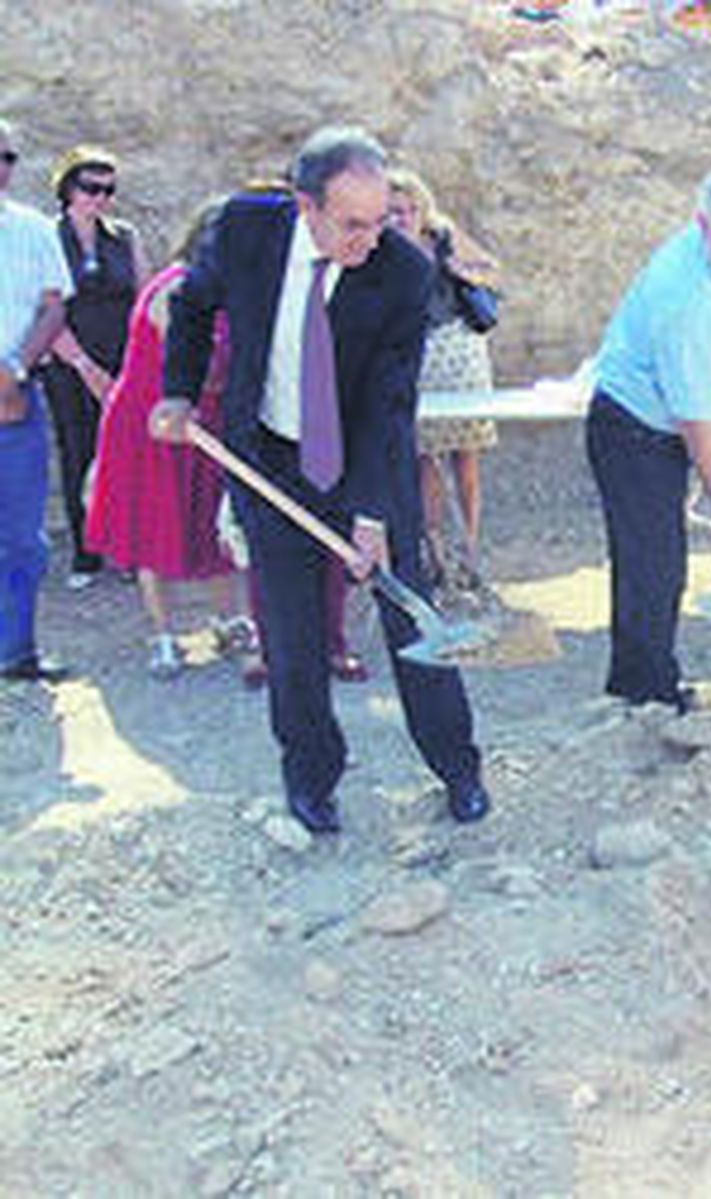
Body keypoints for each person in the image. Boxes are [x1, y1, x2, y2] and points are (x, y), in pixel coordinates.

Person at [149, 126, 489, 835]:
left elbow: (390, 405)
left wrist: (370, 517)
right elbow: (191, 304)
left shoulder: (402, 271)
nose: (370, 238)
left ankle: (459, 768)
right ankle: (310, 782)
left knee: (410, 619)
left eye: (380, 219)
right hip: (269, 462)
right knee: (293, 637)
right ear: (305, 207)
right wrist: (178, 392)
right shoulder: (245, 229)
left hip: (363, 465)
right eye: (352, 224)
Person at [585, 167, 711, 712]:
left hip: (656, 422)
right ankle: (647, 697)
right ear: (701, 223)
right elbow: (696, 420)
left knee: (657, 562)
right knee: (653, 565)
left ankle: (643, 683)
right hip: (631, 432)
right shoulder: (687, 294)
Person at [84, 199, 252, 679]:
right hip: (151, 424)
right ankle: (163, 635)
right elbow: (200, 363)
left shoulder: (217, 287)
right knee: (155, 523)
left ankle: (227, 620)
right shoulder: (178, 286)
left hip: (203, 423)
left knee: (212, 521)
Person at [39, 145, 149, 591]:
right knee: (77, 450)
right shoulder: (48, 238)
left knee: (123, 454)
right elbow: (43, 308)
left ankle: (124, 546)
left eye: (108, 189)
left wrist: (136, 365)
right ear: (68, 189)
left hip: (122, 361)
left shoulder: (124, 236)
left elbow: (143, 296)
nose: (100, 198)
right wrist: (84, 365)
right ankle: (86, 552)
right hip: (69, 362)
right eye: (91, 188)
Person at [387, 169, 500, 592]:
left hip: (459, 349)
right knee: (426, 459)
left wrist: (464, 270)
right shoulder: (380, 246)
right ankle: (434, 554)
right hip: (418, 353)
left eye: (412, 207)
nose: (405, 216)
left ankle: (468, 551)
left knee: (466, 456)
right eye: (396, 210)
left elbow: (489, 269)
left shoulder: (442, 235)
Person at [0, 118, 74, 682]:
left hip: (14, 399)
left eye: (7, 157)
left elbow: (54, 307)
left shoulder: (32, 230)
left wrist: (15, 369)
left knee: (23, 536)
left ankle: (16, 650)